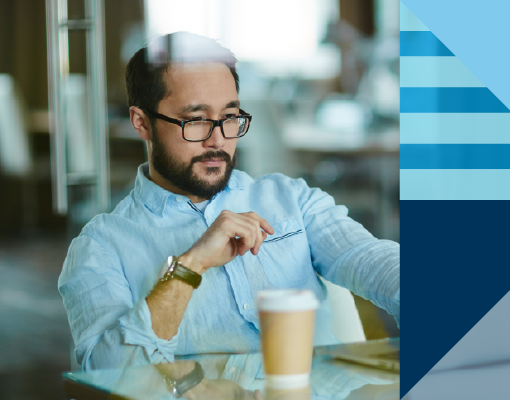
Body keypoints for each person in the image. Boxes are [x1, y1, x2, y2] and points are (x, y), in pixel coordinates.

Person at [59, 32, 399, 371]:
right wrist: (189, 267)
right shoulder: (101, 247)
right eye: (195, 120)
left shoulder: (291, 199)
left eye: (230, 117)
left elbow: (368, 258)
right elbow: (107, 374)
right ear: (141, 122)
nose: (218, 140)